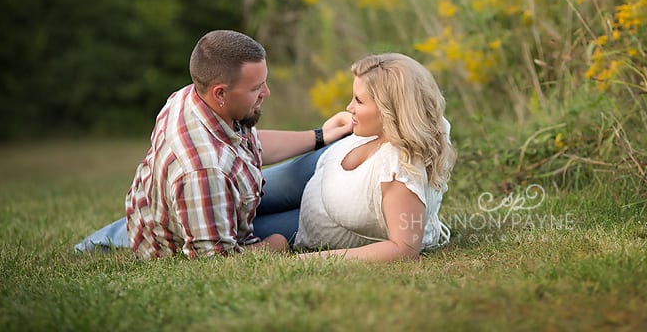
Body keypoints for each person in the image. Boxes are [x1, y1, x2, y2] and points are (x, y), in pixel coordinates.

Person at [75, 29, 352, 258]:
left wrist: (320, 136)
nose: (266, 93)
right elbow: (216, 260)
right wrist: (276, 244)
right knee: (323, 219)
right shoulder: (203, 171)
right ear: (220, 93)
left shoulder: (193, 97)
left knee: (325, 158)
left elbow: (251, 143)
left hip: (229, 197)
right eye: (257, 88)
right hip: (212, 218)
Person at [294, 53, 456, 261]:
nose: (349, 107)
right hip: (316, 171)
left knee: (245, 224)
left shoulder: (400, 168)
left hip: (304, 223)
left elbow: (404, 249)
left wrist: (311, 259)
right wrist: (345, 122)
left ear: (389, 111)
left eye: (359, 101)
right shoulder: (385, 129)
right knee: (242, 198)